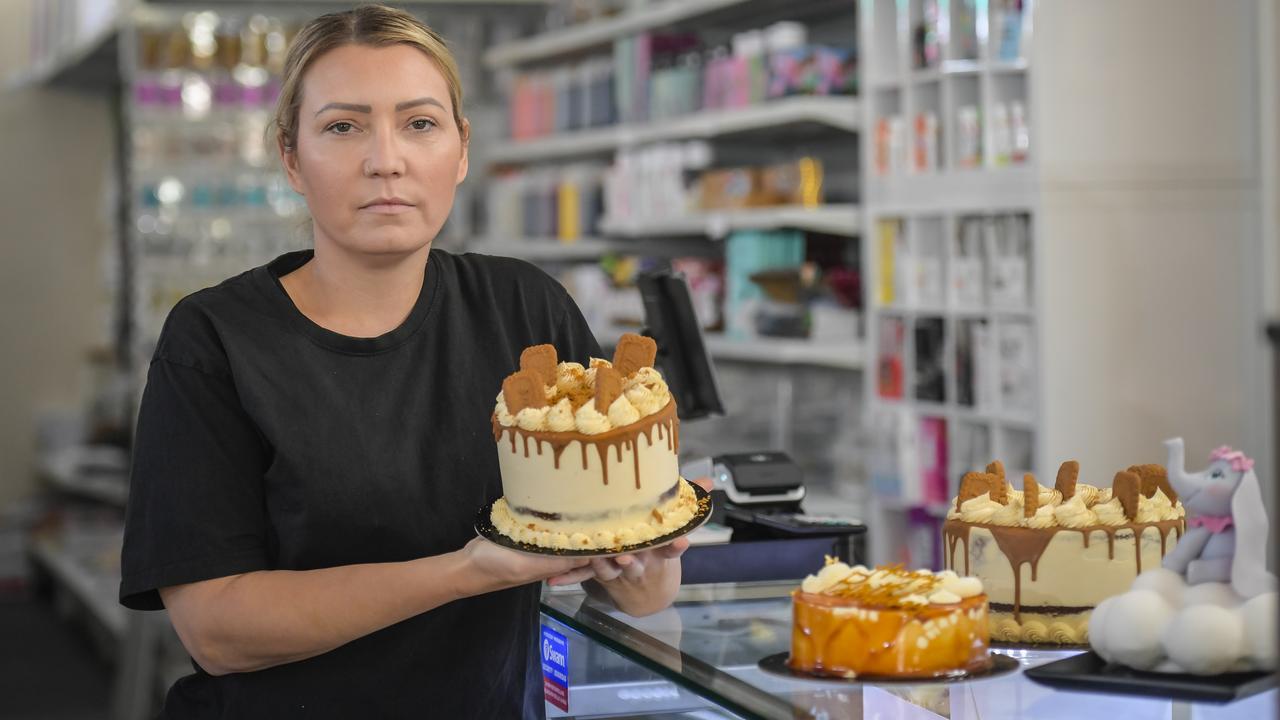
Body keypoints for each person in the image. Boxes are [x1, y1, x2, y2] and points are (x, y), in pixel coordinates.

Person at [120, 6, 690, 718]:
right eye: (342, 126)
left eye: (419, 123)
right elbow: (218, 631)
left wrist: (641, 560)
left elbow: (642, 590)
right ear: (291, 157)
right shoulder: (215, 340)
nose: (384, 158)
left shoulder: (525, 309)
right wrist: (466, 572)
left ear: (461, 151)